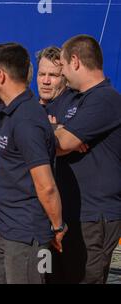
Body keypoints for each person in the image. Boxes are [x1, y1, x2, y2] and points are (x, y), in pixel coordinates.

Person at [0, 43, 65, 284]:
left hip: (27, 234)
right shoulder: (14, 113)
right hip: (7, 229)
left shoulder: (27, 120)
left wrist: (58, 227)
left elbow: (46, 185)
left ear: (0, 76)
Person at [52, 35, 121, 284]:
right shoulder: (69, 98)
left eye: (62, 65)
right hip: (68, 213)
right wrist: (60, 129)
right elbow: (42, 129)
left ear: (75, 61)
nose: (61, 74)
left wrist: (63, 134)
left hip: (94, 217)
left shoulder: (106, 99)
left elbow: (60, 144)